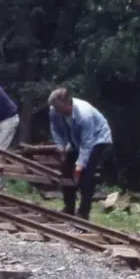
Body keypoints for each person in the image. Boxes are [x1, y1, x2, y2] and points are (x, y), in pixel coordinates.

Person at [47, 88, 113, 220]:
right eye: (54, 108)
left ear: (67, 104)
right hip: (75, 139)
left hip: (97, 139)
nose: (56, 110)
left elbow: (87, 143)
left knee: (86, 174)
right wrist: (61, 148)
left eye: (58, 108)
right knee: (66, 170)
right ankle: (69, 207)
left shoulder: (84, 115)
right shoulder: (54, 111)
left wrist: (79, 166)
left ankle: (84, 212)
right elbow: (55, 129)